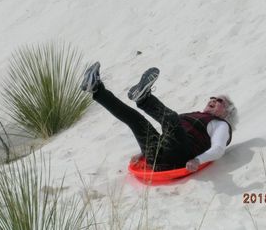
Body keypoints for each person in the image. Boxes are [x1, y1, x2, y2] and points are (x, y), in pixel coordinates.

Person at [80, 62, 237, 172]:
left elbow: (218, 149)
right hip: (156, 159)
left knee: (172, 119)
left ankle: (144, 99)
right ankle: (96, 89)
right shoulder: (194, 115)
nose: (213, 100)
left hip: (180, 158)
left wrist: (197, 161)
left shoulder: (221, 125)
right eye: (212, 98)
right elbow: (169, 137)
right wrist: (143, 154)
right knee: (136, 120)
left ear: (227, 112)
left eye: (220, 101)